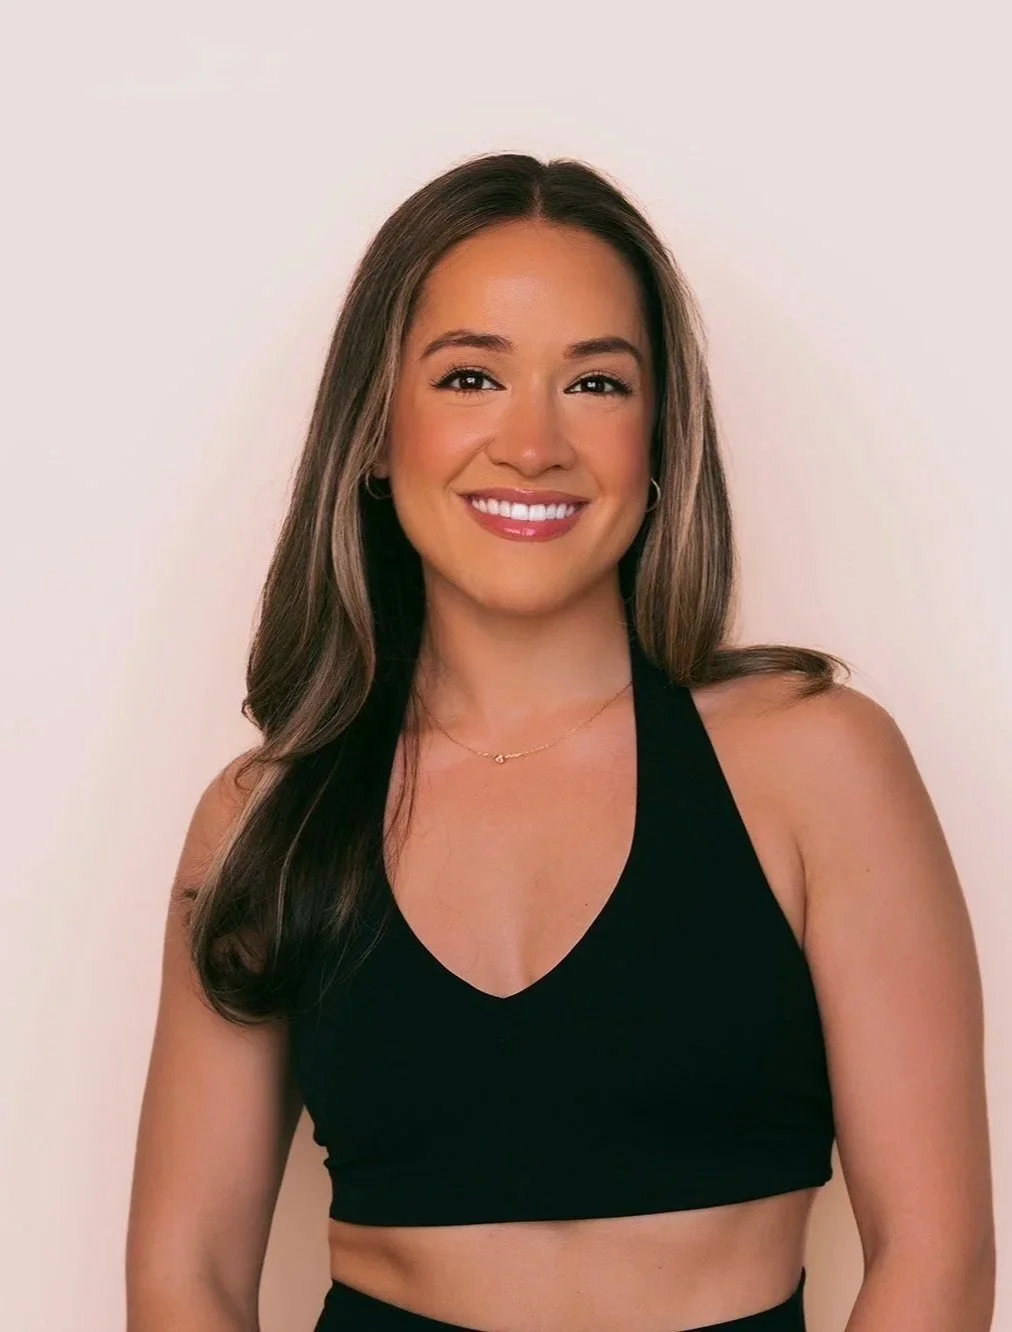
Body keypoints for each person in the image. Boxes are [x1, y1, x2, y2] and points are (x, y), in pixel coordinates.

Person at [125, 153, 995, 1332]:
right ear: (377, 434)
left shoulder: (814, 765)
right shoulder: (264, 820)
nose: (532, 444)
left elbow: (934, 1257)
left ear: (659, 438)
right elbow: (187, 1278)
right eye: (472, 376)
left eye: (595, 386)